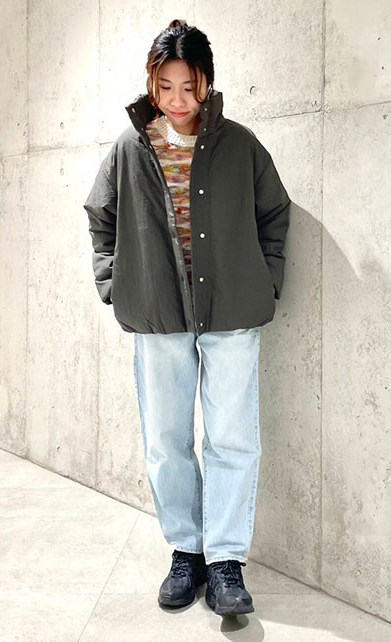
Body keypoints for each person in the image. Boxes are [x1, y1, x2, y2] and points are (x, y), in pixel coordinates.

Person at [83, 18, 291, 617]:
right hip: (158, 312)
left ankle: (225, 561)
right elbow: (101, 218)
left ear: (207, 84)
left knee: (231, 437)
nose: (178, 100)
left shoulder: (240, 145)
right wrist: (115, 283)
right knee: (166, 439)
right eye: (166, 86)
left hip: (230, 309)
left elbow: (274, 214)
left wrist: (266, 280)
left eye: (189, 86)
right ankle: (186, 551)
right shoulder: (129, 149)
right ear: (152, 84)